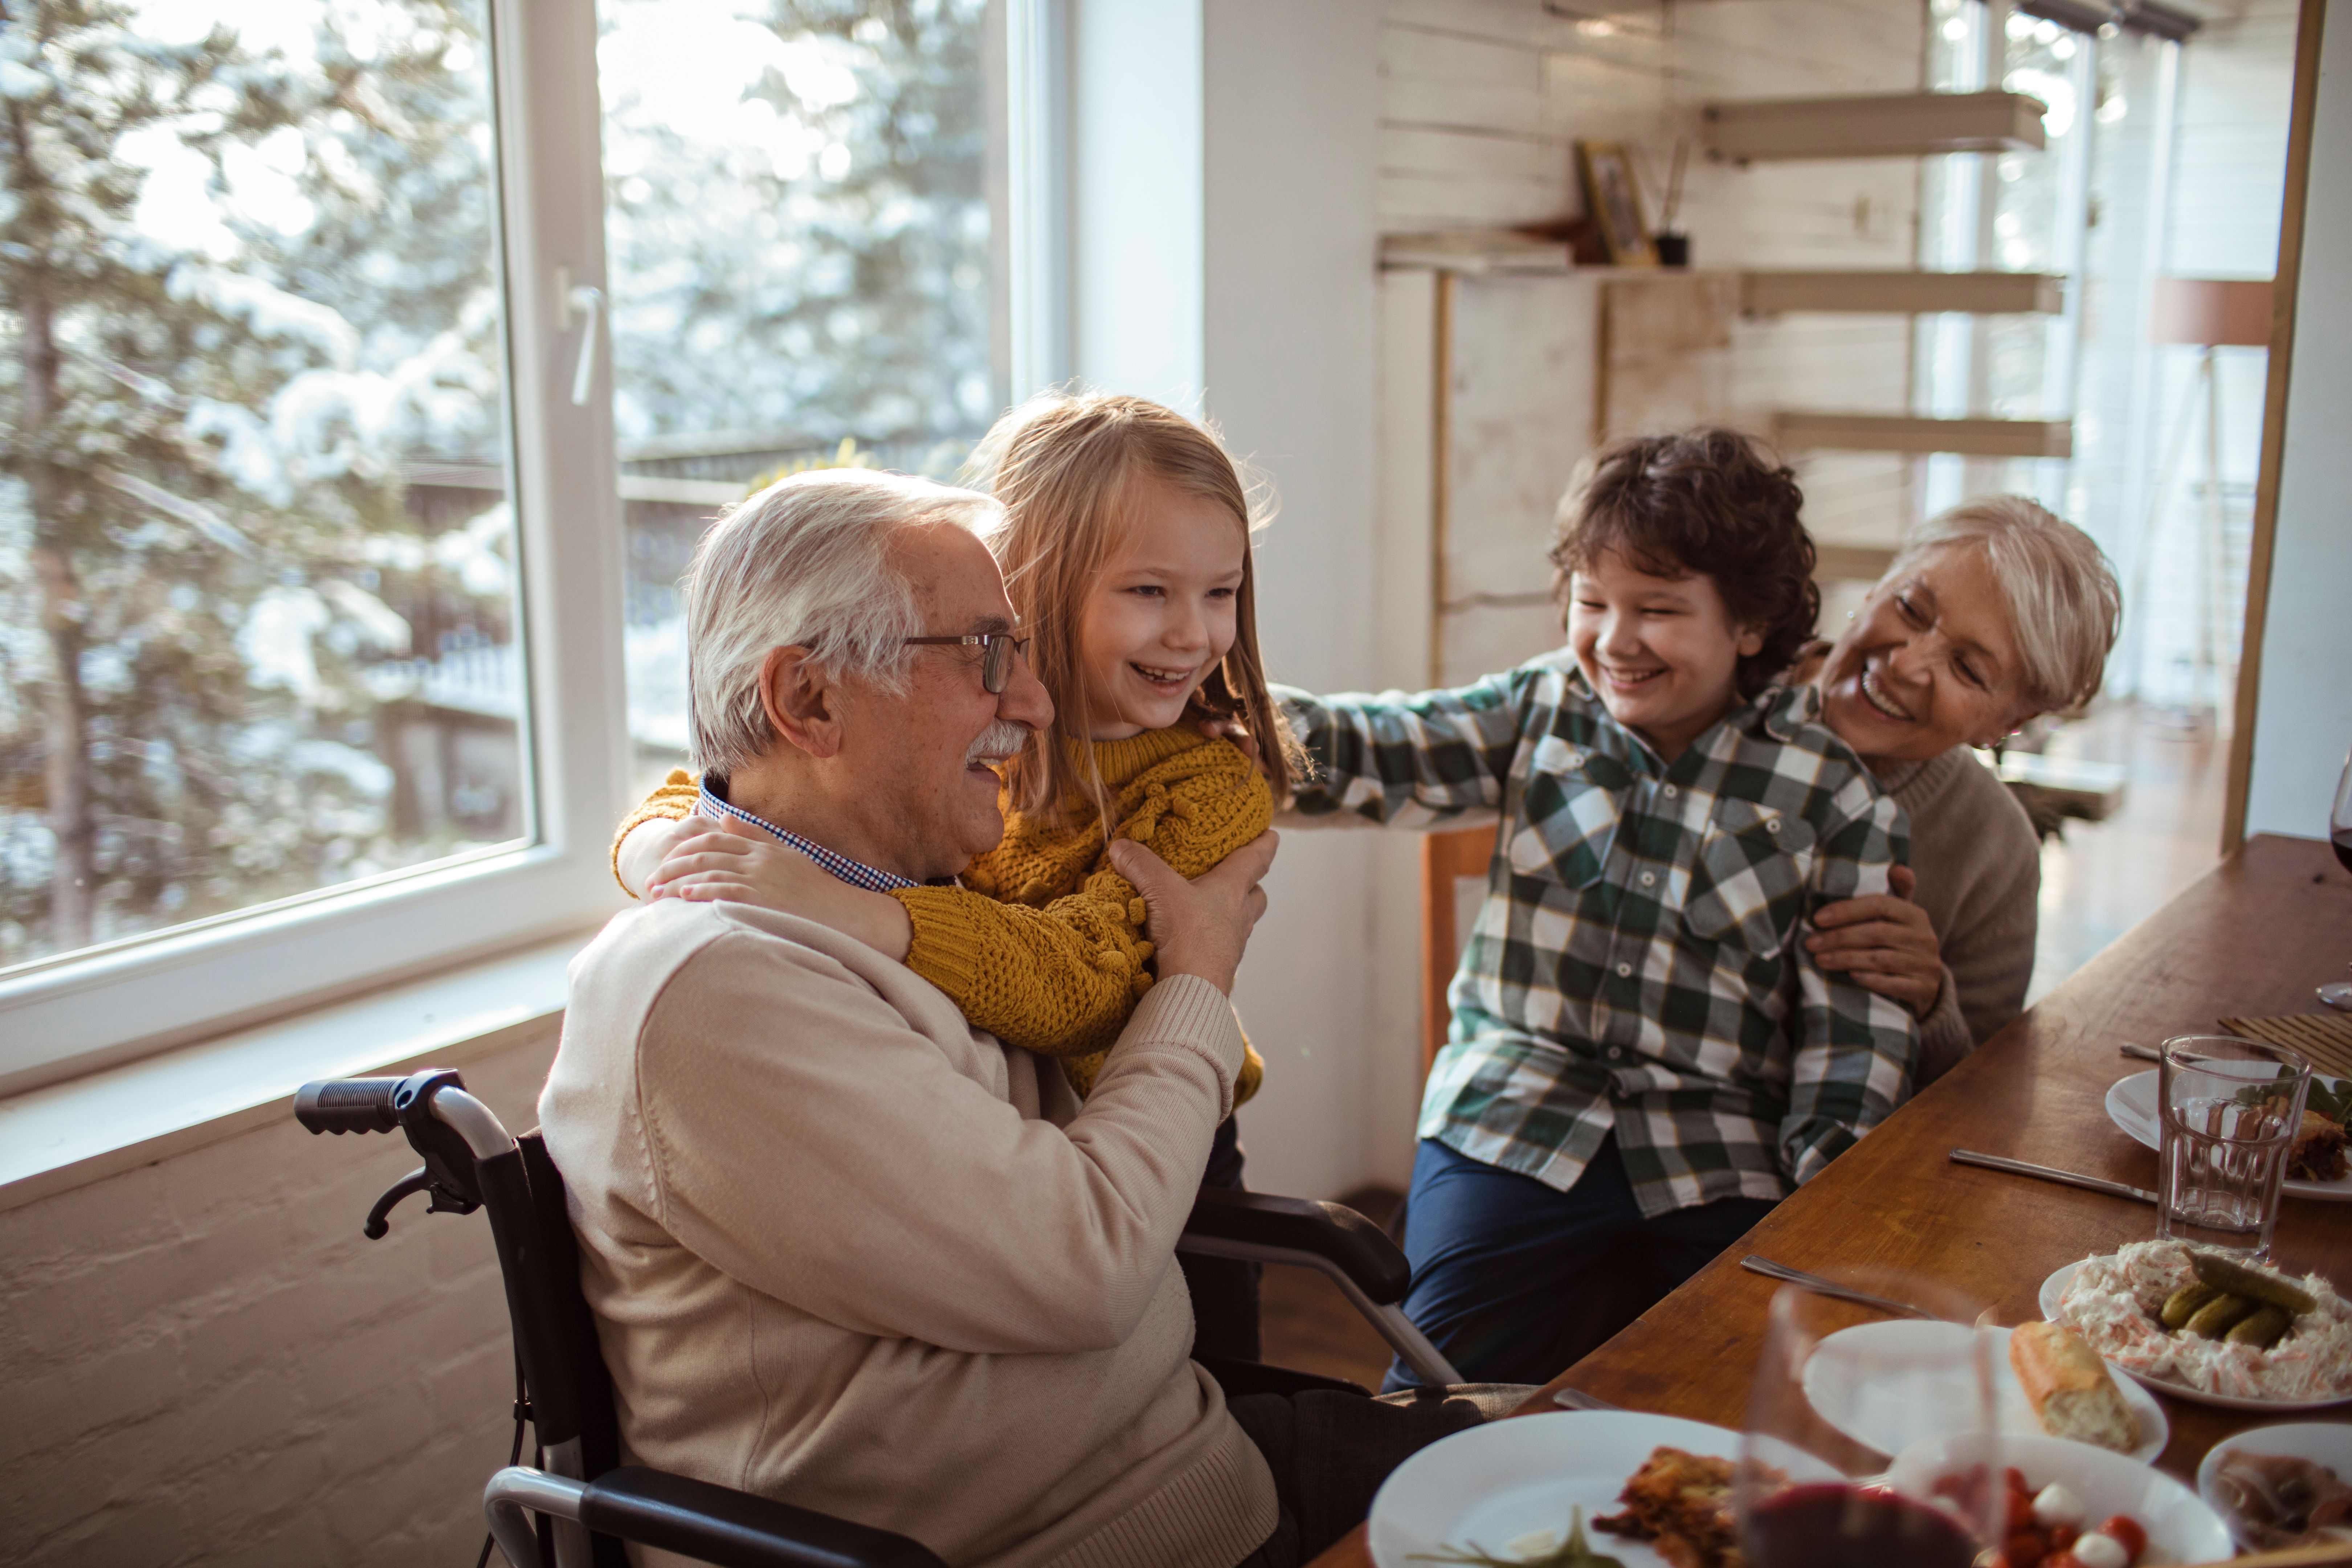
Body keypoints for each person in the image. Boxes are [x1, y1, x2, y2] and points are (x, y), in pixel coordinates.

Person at [541, 467, 1519, 1568]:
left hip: (1188, 1458)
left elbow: (717, 800)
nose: (1037, 703)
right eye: (985, 655)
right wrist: (1198, 974)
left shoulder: (895, 877)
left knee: (1593, 1445)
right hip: (1107, 1533)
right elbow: (1089, 1265)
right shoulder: (716, 992)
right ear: (810, 702)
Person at [611, 392, 1303, 1360]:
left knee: (1215, 1377)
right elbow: (714, 783)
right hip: (1025, 1135)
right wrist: (659, 852)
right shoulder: (970, 737)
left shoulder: (1204, 790)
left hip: (1164, 1136)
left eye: (1221, 594)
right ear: (1039, 594)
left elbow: (1087, 982)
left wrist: (868, 915)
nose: (1194, 633)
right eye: (1150, 592)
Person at [1276, 430, 1920, 1391]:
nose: (1615, 641)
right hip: (1513, 1115)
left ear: (1751, 623)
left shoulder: (1833, 792)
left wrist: (1826, 1200)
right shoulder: (1542, 707)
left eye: (1657, 610)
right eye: (1592, 602)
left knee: (1752, 1393)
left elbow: (1852, 1044)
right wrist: (1223, 713)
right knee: (1432, 1395)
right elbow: (1379, 747)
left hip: (1723, 1149)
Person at [1797, 495, 2122, 1084]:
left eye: (1967, 669)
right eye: (1910, 609)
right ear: (1877, 588)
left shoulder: (1997, 850)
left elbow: (1985, 1098)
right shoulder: (1702, 697)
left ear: (2008, 725)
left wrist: (1929, 1002)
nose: (1906, 665)